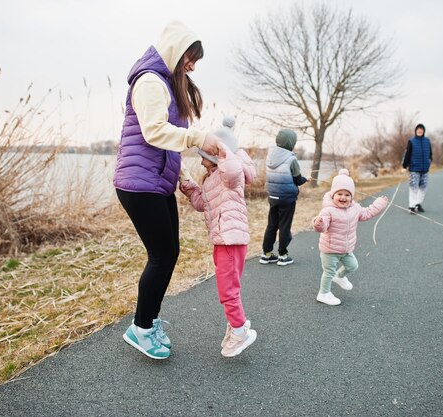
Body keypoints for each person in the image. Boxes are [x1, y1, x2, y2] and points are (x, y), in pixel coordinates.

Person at [113, 21, 221, 360]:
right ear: (175, 51)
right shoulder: (148, 81)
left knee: (169, 253)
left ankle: (148, 321)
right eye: (191, 57)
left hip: (156, 183)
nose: (192, 65)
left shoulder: (166, 84)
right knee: (161, 256)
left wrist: (185, 180)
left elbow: (168, 148)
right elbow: (154, 133)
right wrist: (198, 137)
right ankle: (141, 329)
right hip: (138, 184)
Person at [179, 126, 258, 357]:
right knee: (229, 288)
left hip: (230, 240)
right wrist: (185, 181)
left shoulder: (231, 175)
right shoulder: (214, 178)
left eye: (204, 156)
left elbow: (231, 169)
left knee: (227, 290)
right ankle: (237, 324)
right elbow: (201, 203)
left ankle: (239, 329)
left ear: (215, 156)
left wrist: (221, 147)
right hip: (224, 239)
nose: (201, 161)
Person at [312, 169, 388, 306]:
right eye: (339, 194)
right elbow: (322, 227)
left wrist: (379, 204)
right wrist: (318, 223)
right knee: (328, 272)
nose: (343, 197)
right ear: (332, 194)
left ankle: (339, 276)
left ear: (352, 196)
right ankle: (323, 294)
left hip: (346, 249)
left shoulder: (355, 208)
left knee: (353, 266)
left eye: (347, 194)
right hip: (330, 249)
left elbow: (367, 213)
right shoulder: (328, 210)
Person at [259, 129, 309, 266]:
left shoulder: (270, 156)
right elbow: (298, 180)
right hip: (287, 198)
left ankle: (266, 254)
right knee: (284, 226)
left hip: (272, 196)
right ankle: (283, 255)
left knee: (272, 225)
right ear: (291, 142)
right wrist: (306, 179)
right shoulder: (291, 159)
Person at [402, 123, 433, 214]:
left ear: (423, 131)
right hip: (414, 169)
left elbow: (430, 153)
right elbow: (407, 155)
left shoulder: (427, 141)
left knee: (423, 188)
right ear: (416, 131)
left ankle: (417, 204)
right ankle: (411, 206)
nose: (420, 131)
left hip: (425, 169)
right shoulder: (411, 141)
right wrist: (404, 166)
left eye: (421, 129)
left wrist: (429, 160)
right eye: (418, 129)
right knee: (413, 188)